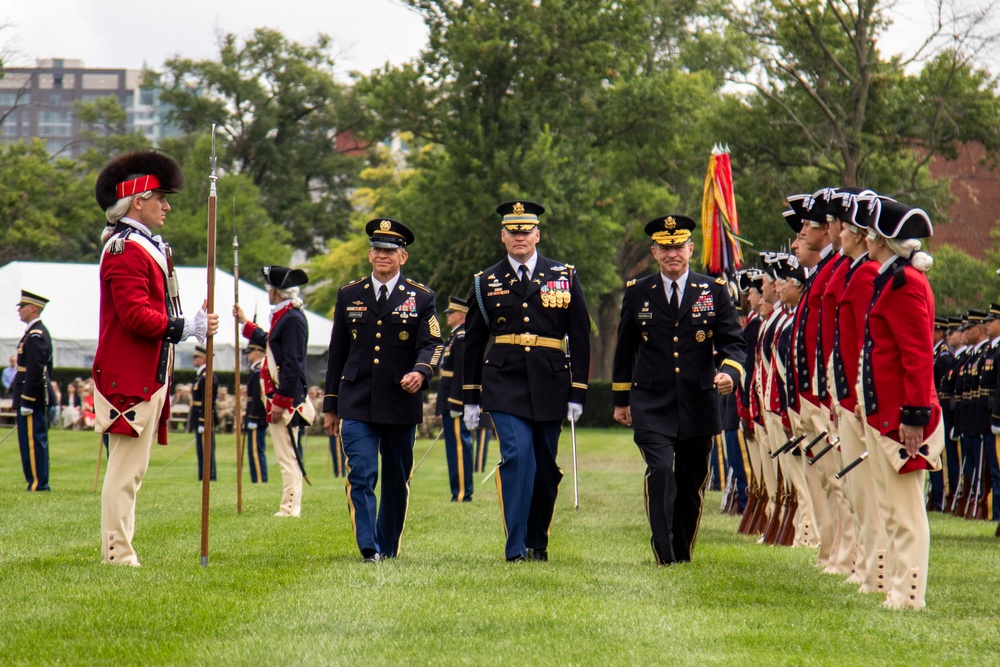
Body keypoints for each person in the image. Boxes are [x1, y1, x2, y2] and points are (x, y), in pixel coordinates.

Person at [93, 150, 218, 566]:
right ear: (136, 200)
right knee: (124, 473)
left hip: (149, 371)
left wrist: (187, 323)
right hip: (130, 374)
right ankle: (117, 553)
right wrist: (187, 328)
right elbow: (133, 316)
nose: (166, 206)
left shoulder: (146, 246)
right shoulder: (125, 248)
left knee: (133, 472)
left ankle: (122, 549)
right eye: (160, 197)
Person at [612, 214, 745, 564]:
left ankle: (682, 549)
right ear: (654, 252)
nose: (673, 254)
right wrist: (620, 400)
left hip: (698, 403)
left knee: (690, 483)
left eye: (678, 247)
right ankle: (664, 552)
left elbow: (734, 343)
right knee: (660, 472)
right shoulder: (639, 292)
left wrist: (730, 373)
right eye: (664, 248)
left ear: (691, 249)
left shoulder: (713, 291)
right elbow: (624, 349)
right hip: (652, 402)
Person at [463, 201, 590, 563]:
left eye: (526, 231)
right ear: (503, 236)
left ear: (537, 234)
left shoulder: (563, 275)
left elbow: (580, 335)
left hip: (550, 381)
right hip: (504, 381)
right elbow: (473, 341)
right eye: (512, 232)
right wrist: (471, 397)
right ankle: (515, 546)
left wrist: (578, 391)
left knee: (545, 466)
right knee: (517, 457)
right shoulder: (485, 280)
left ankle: (538, 539)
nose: (520, 238)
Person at [323, 218, 443, 562]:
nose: (382, 256)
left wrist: (421, 372)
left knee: (395, 478)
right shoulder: (349, 294)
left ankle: (388, 546)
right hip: (356, 399)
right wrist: (331, 405)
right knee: (360, 472)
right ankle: (368, 546)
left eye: (390, 251)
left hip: (400, 402)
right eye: (377, 249)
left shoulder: (421, 297)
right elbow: (337, 352)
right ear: (369, 253)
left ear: (402, 257)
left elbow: (434, 344)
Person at [858, 196, 943, 609]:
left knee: (906, 513)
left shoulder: (905, 283)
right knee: (892, 509)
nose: (866, 240)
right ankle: (896, 588)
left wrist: (914, 417)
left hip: (901, 415)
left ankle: (909, 595)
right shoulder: (893, 279)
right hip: (885, 412)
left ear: (881, 241)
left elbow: (917, 354)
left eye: (872, 235)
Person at [236, 266, 312, 517]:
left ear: (277, 292)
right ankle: (289, 506)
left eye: (270, 288)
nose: (268, 292)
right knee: (286, 455)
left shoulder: (292, 319)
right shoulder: (285, 316)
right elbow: (272, 343)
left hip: (285, 399)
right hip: (280, 396)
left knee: (288, 456)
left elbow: (293, 364)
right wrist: (246, 324)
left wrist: (281, 401)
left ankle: (290, 508)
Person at [12, 290, 54, 491]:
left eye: (22, 306)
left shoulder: (36, 334)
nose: (19, 310)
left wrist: (27, 400)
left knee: (33, 442)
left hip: (32, 398)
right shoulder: (32, 333)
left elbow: (36, 369)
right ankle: (36, 481)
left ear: (33, 308)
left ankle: (38, 483)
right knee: (31, 441)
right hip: (30, 396)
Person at [437, 295, 474, 502]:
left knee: (460, 448)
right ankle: (458, 490)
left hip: (455, 401)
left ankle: (462, 493)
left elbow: (462, 372)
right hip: (449, 399)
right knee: (454, 449)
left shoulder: (462, 337)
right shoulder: (454, 337)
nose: (448, 316)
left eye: (451, 313)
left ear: (461, 315)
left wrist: (457, 401)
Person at [189, 345, 218, 482]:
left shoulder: (207, 376)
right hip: (199, 418)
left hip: (204, 419)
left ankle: (209, 478)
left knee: (206, 451)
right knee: (201, 451)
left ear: (203, 359)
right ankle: (203, 477)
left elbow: (208, 401)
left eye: (196, 357)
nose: (193, 359)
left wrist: (203, 420)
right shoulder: (201, 376)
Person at [243, 343, 268, 484]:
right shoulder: (254, 371)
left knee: (256, 452)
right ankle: (256, 479)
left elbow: (258, 398)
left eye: (251, 351)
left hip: (257, 418)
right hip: (253, 417)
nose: (248, 355)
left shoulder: (259, 371)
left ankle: (259, 479)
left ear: (259, 352)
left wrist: (252, 417)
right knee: (253, 452)